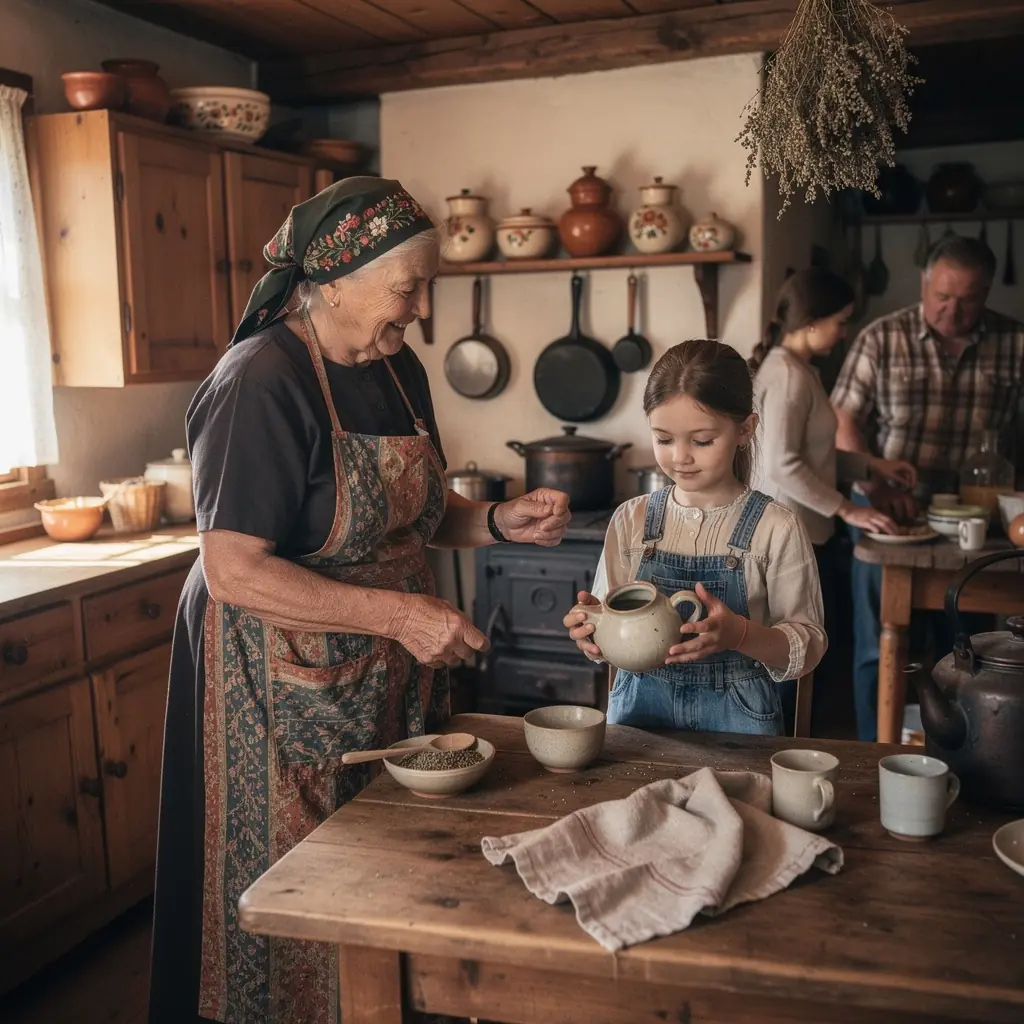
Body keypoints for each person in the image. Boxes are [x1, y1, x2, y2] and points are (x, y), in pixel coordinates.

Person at [148, 178, 571, 1024]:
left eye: (425, 288)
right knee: (294, 881)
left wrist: (495, 519)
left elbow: (410, 515)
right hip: (274, 685)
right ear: (335, 280)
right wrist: (401, 617)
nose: (417, 308)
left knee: (386, 871)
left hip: (380, 673)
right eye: (406, 287)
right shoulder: (259, 381)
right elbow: (233, 570)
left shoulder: (397, 367)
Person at [563, 339, 826, 736]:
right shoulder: (631, 521)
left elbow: (807, 647)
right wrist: (590, 633)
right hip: (639, 724)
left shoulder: (776, 527)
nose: (680, 457)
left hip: (739, 727)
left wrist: (739, 634)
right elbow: (606, 622)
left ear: (745, 429)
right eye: (664, 439)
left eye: (702, 441)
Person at [831, 234, 1024, 740]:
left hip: (981, 513)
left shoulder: (1015, 342)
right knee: (878, 638)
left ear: (987, 294)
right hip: (889, 504)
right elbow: (843, 418)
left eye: (968, 299)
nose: (953, 310)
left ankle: (958, 743)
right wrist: (873, 484)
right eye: (942, 296)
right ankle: (875, 749)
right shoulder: (881, 337)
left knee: (969, 639)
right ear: (924, 283)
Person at [751, 269, 917, 729]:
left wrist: (872, 467)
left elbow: (815, 456)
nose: (844, 331)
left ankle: (794, 748)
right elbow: (783, 465)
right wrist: (849, 509)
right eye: (841, 320)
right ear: (812, 320)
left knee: (807, 655)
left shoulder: (800, 369)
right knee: (792, 657)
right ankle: (779, 752)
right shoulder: (786, 375)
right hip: (794, 536)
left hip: (809, 532)